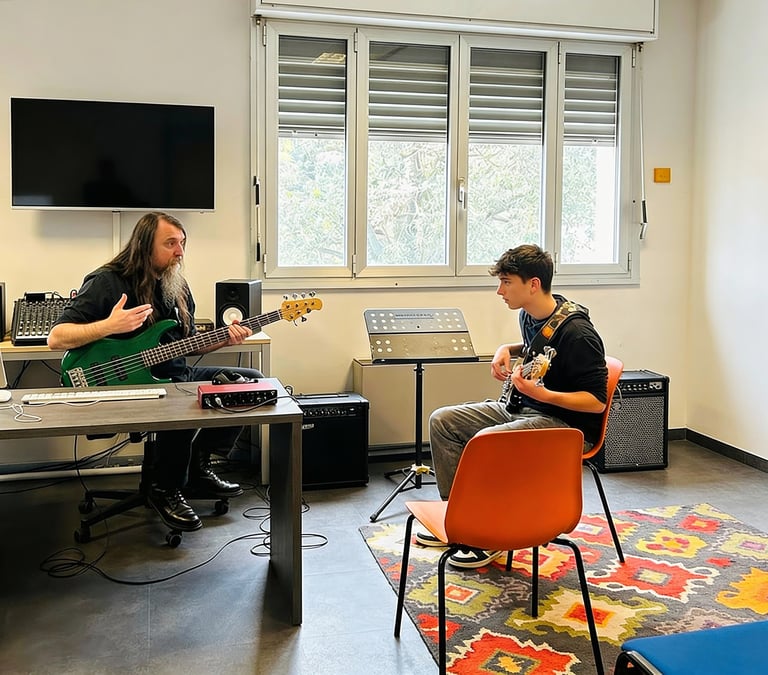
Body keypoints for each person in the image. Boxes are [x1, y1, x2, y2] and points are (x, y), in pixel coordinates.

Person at [47, 212, 263, 533]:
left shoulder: (177, 286)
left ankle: (199, 466)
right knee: (180, 398)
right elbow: (57, 337)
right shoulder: (108, 282)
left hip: (174, 377)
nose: (180, 252)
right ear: (145, 245)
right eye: (171, 243)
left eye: (183, 243)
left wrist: (224, 337)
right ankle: (165, 489)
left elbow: (186, 346)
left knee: (249, 383)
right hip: (125, 385)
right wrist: (110, 325)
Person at [421, 244, 608, 568]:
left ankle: (490, 534)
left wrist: (544, 395)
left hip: (564, 424)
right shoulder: (530, 315)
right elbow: (538, 347)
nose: (499, 290)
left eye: (506, 282)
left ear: (533, 284)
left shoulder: (579, 333)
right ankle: (462, 523)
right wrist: (505, 348)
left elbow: (596, 403)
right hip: (523, 407)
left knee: (489, 442)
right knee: (442, 421)